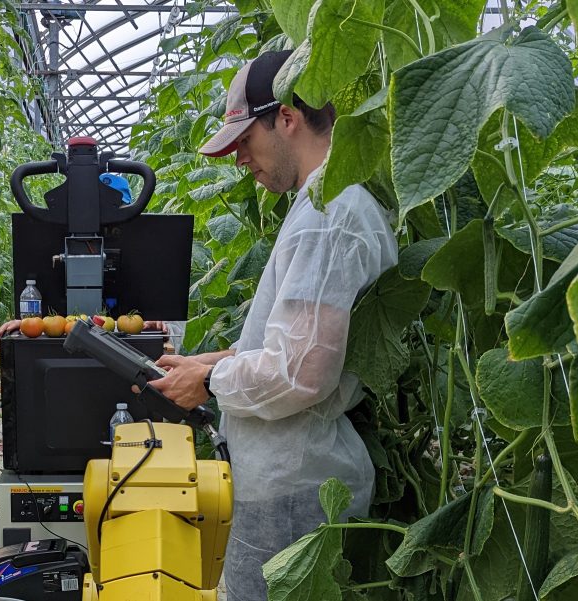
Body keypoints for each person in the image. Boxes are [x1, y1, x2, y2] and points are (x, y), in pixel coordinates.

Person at [147, 50, 399, 599]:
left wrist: (209, 382)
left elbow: (301, 372)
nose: (240, 160)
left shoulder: (326, 216)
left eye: (245, 141)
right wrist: (207, 362)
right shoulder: (326, 204)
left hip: (296, 489)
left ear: (286, 118)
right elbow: (288, 343)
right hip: (297, 477)